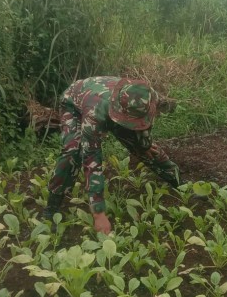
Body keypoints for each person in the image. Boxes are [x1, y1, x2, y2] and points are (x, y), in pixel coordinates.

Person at [43, 76, 181, 234]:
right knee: (74, 152)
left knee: (146, 149)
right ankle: (51, 209)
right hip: (75, 102)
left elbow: (147, 122)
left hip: (119, 109)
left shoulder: (148, 96)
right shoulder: (95, 113)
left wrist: (145, 144)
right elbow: (91, 160)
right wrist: (98, 213)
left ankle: (181, 184)